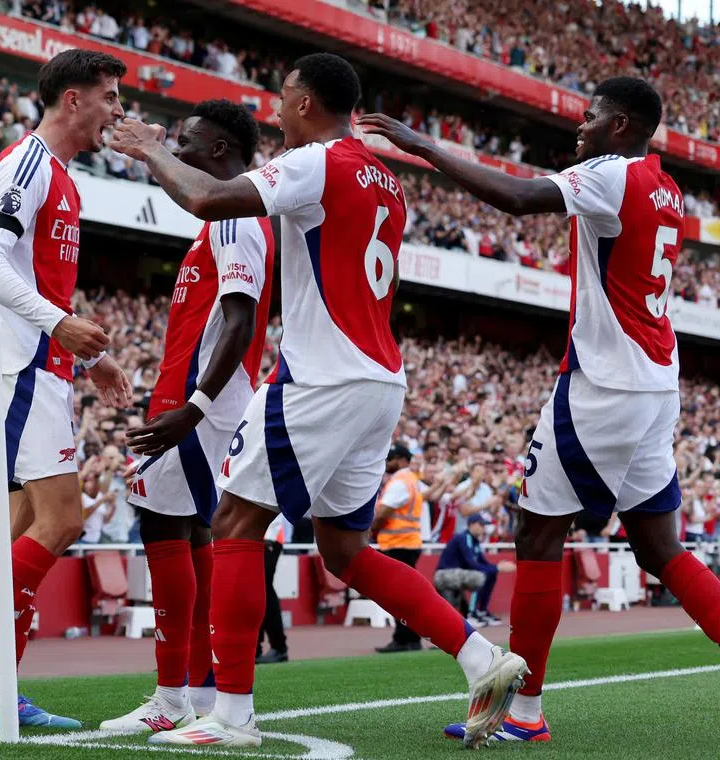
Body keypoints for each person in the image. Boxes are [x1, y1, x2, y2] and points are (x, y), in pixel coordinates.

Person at [358, 76, 720, 748]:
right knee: (659, 547)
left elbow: (515, 198)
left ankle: (526, 712)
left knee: (538, 535)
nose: (580, 126)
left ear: (622, 124)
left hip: (604, 384)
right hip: (655, 380)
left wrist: (422, 145)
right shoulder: (666, 186)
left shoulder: (610, 174)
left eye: (591, 116)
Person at [112, 52, 526, 749]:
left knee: (236, 523)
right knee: (345, 549)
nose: (274, 111)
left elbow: (208, 198)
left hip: (320, 378)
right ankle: (481, 657)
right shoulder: (388, 181)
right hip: (379, 381)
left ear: (306, 102)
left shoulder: (318, 161)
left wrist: (152, 149)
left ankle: (232, 717)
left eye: (281, 96)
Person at [0, 49, 134, 734]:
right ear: (72, 98)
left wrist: (86, 357)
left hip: (43, 362)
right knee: (61, 519)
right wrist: (57, 324)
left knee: (20, 528)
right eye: (108, 96)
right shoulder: (26, 164)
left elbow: (34, 280)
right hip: (20, 364)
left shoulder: (64, 176)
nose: (117, 111)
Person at [100, 99, 275, 734]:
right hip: (192, 399)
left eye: (190, 143)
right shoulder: (220, 222)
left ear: (222, 151)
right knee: (191, 534)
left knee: (167, 530)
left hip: (201, 406)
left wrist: (194, 408)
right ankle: (196, 691)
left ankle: (175, 697)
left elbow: (240, 317)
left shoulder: (235, 221)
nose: (180, 151)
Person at [373, 444, 427, 653]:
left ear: (403, 459)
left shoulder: (399, 482)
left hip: (398, 544)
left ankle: (403, 639)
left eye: (392, 458)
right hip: (407, 542)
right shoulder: (411, 480)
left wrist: (369, 529)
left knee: (398, 595)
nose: (388, 462)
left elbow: (384, 512)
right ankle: (409, 638)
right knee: (405, 594)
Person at [255, 514, 291, 665]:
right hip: (254, 536)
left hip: (267, 538)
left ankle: (277, 646)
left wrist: (269, 536)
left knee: (263, 590)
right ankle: (262, 647)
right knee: (259, 590)